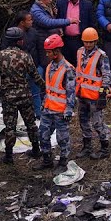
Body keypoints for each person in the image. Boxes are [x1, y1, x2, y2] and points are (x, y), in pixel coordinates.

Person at [0, 26, 43, 164]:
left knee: (10, 126)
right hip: (25, 95)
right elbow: (35, 76)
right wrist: (47, 89)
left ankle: (8, 156)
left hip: (8, 98)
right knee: (30, 123)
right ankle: (36, 149)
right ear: (19, 41)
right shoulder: (26, 56)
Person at [37, 35, 75, 170]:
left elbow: (71, 91)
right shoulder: (49, 67)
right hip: (48, 108)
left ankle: (63, 161)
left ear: (57, 51)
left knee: (62, 138)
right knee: (43, 134)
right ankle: (47, 160)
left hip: (60, 110)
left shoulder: (68, 69)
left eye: (49, 52)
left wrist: (69, 109)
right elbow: (49, 89)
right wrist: (44, 103)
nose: (47, 54)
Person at [75, 28, 111, 159]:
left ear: (95, 41)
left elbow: (107, 75)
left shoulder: (101, 55)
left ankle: (104, 148)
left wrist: (103, 93)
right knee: (83, 121)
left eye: (91, 42)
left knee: (98, 123)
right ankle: (87, 147)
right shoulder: (79, 52)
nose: (88, 44)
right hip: (82, 94)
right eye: (86, 42)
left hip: (95, 96)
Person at [56, 0, 96, 64]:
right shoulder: (61, 2)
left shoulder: (87, 5)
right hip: (64, 40)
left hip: (79, 40)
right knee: (65, 64)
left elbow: (91, 23)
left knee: (80, 63)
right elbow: (57, 19)